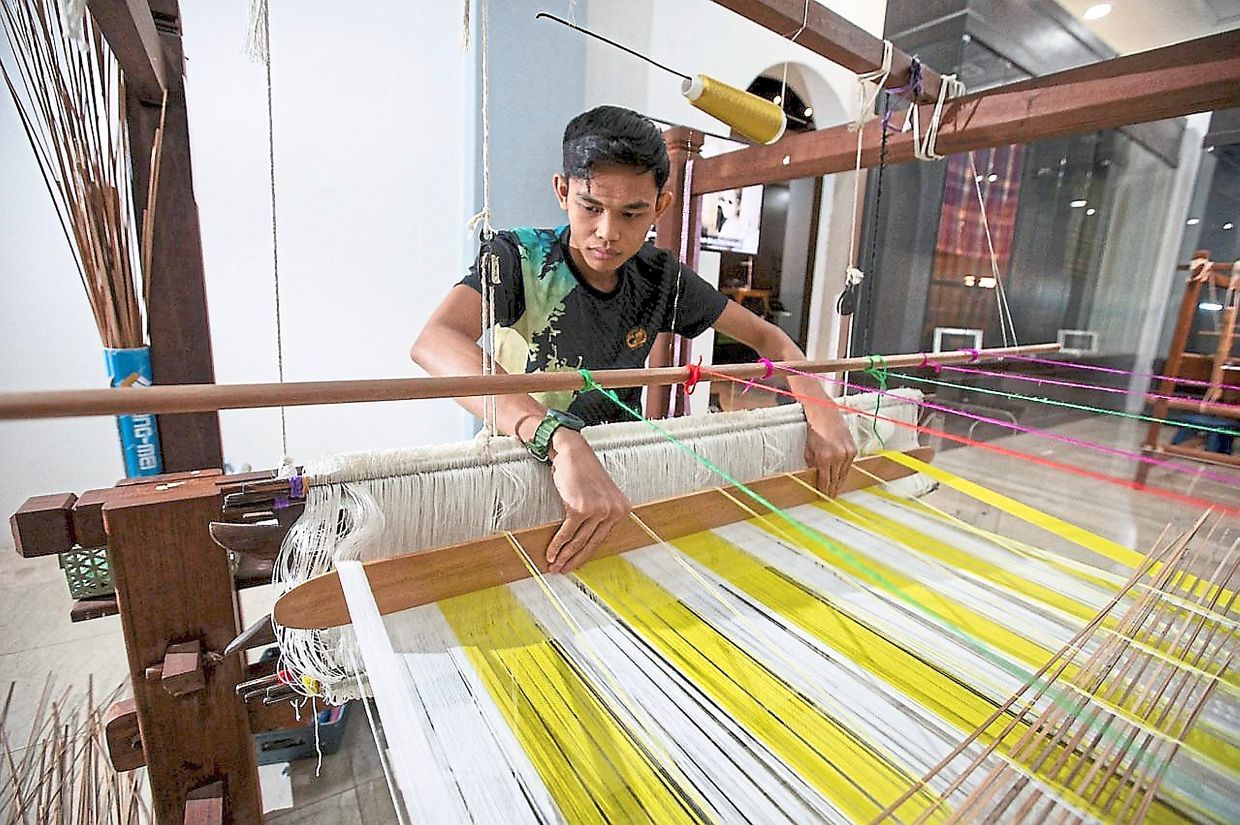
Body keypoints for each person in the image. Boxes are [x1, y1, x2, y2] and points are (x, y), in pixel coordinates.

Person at [411, 105, 856, 574]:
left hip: (620, 475)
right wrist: (557, 438)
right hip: (521, 475)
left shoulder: (661, 279)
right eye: (591, 207)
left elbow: (772, 340)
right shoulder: (520, 258)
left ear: (660, 208)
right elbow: (435, 340)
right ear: (563, 191)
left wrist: (822, 411)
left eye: (631, 213)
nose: (608, 232)